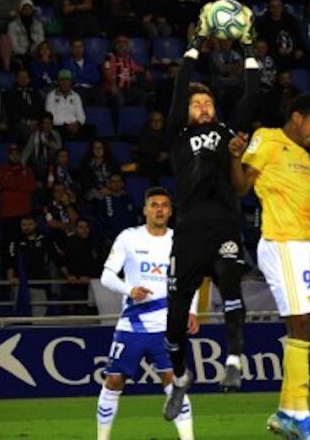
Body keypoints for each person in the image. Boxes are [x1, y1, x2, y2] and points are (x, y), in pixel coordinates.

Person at [228, 94, 310, 440]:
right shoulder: (267, 138)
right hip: (281, 243)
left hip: (304, 246)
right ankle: (300, 414)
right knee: (299, 325)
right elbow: (241, 186)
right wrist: (234, 158)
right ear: (296, 117)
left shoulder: (305, 156)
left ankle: (285, 411)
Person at [162, 19, 260, 406]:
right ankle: (182, 378)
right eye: (196, 104)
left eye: (207, 103)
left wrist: (249, 49)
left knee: (231, 284)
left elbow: (252, 95)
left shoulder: (226, 133)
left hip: (223, 225)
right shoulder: (177, 135)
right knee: (174, 320)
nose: (203, 107)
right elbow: (178, 87)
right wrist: (196, 45)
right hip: (187, 232)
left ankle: (234, 359)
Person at [97, 188, 198, 440]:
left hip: (167, 326)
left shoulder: (181, 240)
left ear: (171, 211)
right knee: (113, 382)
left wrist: (192, 310)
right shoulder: (129, 238)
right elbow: (107, 276)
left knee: (174, 383)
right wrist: (129, 289)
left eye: (164, 205)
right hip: (132, 325)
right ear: (145, 210)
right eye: (154, 205)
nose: (159, 209)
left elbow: (190, 279)